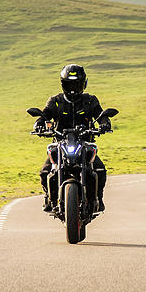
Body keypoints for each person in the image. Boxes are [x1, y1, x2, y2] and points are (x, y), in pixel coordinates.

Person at [34, 64, 111, 212]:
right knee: (45, 171)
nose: (73, 88)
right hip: (60, 143)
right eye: (70, 84)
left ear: (84, 83)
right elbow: (45, 114)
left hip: (85, 143)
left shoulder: (90, 100)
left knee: (100, 169)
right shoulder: (55, 101)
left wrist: (105, 123)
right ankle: (48, 197)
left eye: (77, 83)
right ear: (63, 84)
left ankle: (98, 198)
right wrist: (39, 123)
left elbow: (100, 115)